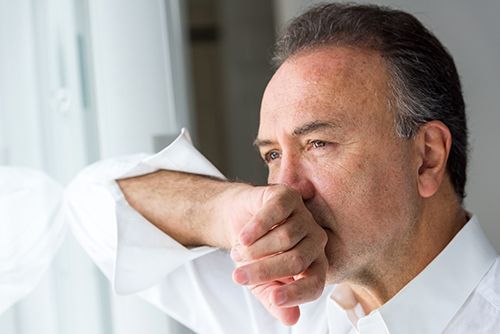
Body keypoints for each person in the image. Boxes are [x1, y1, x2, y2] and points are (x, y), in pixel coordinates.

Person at [65, 3, 500, 333]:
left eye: (317, 144)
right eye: (272, 155)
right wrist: (227, 210)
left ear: (426, 157)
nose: (285, 188)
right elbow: (89, 200)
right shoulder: (280, 302)